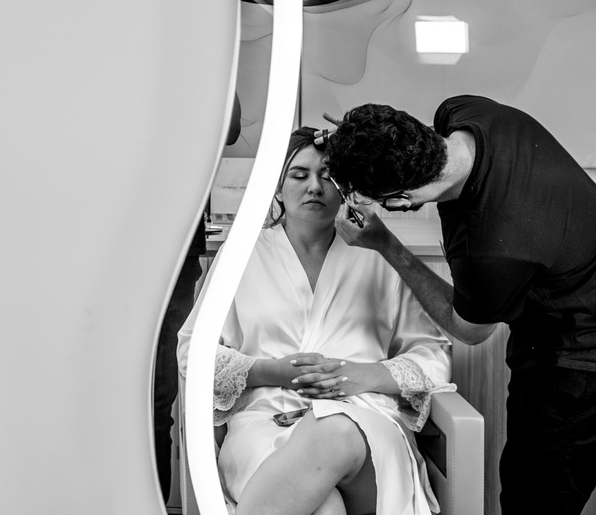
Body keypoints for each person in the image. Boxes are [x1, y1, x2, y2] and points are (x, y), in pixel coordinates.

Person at [323, 95, 596, 515]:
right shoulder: (469, 112)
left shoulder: (493, 252)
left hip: (576, 365)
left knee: (535, 502)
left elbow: (469, 330)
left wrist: (386, 244)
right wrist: (360, 139)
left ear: (399, 200)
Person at [178, 127, 453, 515]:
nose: (314, 187)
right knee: (324, 508)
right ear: (277, 188)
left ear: (344, 188)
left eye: (328, 176)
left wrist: (361, 375)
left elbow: (433, 356)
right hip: (265, 424)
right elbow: (193, 350)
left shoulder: (378, 257)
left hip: (362, 424)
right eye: (299, 175)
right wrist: (272, 371)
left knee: (333, 427)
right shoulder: (240, 256)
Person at [154, 93, 241, 496]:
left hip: (174, 247)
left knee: (155, 403)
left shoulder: (198, 67)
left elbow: (230, 126)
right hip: (101, 244)